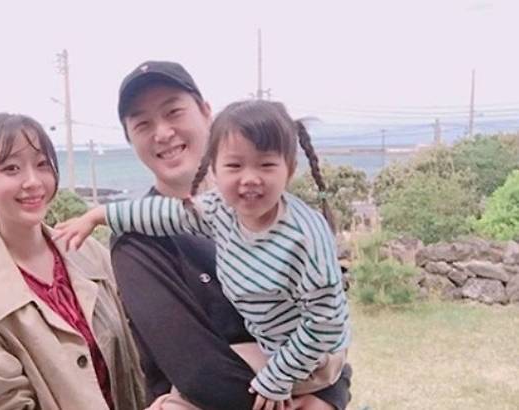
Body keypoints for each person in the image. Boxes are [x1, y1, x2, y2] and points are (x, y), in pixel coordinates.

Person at [57, 61, 353, 410]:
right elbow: (202, 375)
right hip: (260, 377)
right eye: (142, 123)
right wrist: (100, 215)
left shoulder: (283, 221)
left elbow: (328, 322)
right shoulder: (141, 244)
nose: (162, 133)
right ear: (130, 139)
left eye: (174, 112)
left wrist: (329, 395)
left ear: (206, 113)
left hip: (296, 363)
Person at [0, 113, 145, 410]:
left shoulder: (87, 252)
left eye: (42, 164)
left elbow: (141, 343)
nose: (33, 181)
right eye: (11, 168)